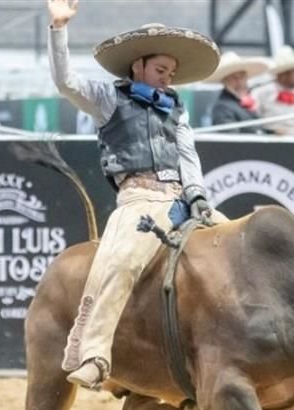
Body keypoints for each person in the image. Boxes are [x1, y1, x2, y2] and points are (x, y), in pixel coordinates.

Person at [47, 0, 226, 390]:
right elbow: (66, 83)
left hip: (182, 197)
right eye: (161, 70)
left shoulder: (176, 109)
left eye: (172, 73)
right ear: (138, 66)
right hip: (138, 199)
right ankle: (95, 355)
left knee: (238, 243)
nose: (167, 78)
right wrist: (59, 29)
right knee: (123, 263)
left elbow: (187, 154)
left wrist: (197, 193)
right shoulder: (108, 99)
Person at [252, 45, 294, 136]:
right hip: (269, 143)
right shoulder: (261, 93)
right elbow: (253, 121)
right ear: (280, 74)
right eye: (291, 73)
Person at [207, 51, 271, 133]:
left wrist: (274, 133)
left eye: (242, 76)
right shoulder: (222, 107)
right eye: (234, 77)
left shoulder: (245, 102)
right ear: (224, 81)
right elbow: (232, 140)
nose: (239, 80)